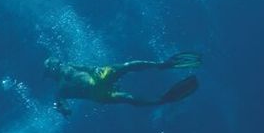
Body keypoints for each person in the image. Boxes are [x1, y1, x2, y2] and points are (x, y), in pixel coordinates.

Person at [45, 53, 202, 116]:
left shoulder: (69, 67)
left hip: (97, 87)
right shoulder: (60, 89)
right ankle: (161, 96)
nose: (57, 63)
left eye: (56, 62)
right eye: (53, 64)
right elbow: (61, 104)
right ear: (51, 72)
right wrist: (65, 110)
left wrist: (95, 69)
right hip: (97, 90)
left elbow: (87, 68)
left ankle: (161, 67)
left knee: (127, 70)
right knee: (127, 93)